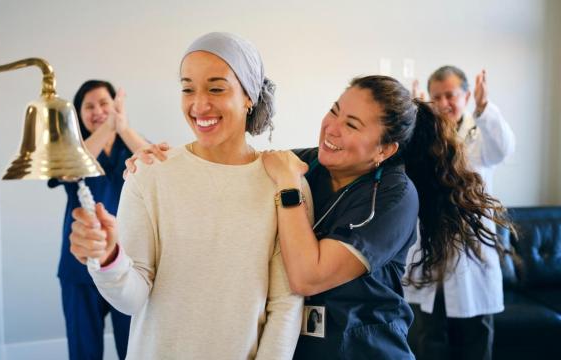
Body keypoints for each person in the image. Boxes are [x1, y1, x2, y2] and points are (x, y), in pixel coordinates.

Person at [129, 75, 512, 359]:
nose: (332, 128)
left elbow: (306, 275)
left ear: (384, 149)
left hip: (361, 348)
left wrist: (288, 190)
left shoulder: (394, 196)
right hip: (303, 346)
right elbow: (235, 165)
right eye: (334, 110)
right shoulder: (311, 162)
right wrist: (158, 160)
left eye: (352, 125)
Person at [68, 32, 307, 359]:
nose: (199, 104)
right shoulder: (150, 172)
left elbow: (285, 303)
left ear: (249, 96)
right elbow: (131, 299)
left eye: (216, 88)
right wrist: (109, 257)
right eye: (187, 88)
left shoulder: (281, 181)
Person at [405, 66, 516, 360]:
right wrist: (418, 118)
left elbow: (504, 149)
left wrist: (483, 107)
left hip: (472, 256)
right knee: (429, 341)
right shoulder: (425, 139)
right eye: (436, 97)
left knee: (475, 342)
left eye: (450, 95)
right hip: (432, 254)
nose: (443, 104)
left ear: (466, 95)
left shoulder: (481, 136)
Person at [47, 79, 150, 360]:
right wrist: (108, 126)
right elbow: (69, 167)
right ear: (78, 115)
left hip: (126, 266)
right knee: (84, 351)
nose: (97, 111)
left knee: (133, 349)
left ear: (116, 106)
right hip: (79, 268)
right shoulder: (73, 150)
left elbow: (160, 169)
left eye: (104, 103)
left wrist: (122, 126)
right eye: (88, 106)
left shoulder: (131, 146)